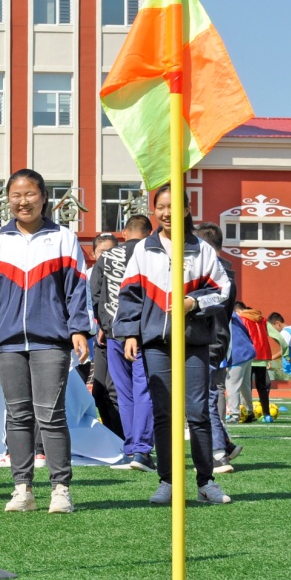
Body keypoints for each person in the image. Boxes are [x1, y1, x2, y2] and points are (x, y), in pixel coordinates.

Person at [0, 169, 89, 513]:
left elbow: (76, 289)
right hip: (6, 341)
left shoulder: (64, 238)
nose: (23, 201)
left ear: (43, 197)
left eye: (30, 194)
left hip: (51, 341)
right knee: (17, 415)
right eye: (16, 195)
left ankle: (60, 489)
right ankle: (22, 488)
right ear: (8, 200)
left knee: (51, 415)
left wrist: (78, 328)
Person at [114, 184, 232, 506]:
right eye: (161, 207)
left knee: (197, 414)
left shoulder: (202, 249)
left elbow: (223, 289)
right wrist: (130, 334)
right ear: (155, 211)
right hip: (155, 344)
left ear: (186, 209)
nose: (167, 213)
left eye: (173, 206)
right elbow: (129, 294)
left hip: (193, 343)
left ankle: (206, 482)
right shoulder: (144, 249)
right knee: (164, 415)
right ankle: (167, 481)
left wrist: (193, 303)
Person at [91, 213, 155, 472]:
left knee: (124, 393)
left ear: (124, 233)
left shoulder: (107, 257)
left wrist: (103, 325)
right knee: (144, 390)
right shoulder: (153, 255)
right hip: (145, 333)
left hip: (114, 332)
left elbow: (96, 293)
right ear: (149, 233)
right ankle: (142, 450)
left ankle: (130, 448)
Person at [195, 222, 244, 474]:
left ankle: (218, 454)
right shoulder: (227, 272)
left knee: (207, 399)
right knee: (206, 397)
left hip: (208, 341)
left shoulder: (214, 273)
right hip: (218, 340)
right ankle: (225, 444)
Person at [86, 233, 122, 439]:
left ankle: (122, 438)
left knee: (113, 390)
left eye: (112, 252)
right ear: (93, 253)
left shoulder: (123, 275)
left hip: (114, 337)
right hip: (89, 339)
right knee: (98, 392)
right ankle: (111, 436)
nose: (107, 256)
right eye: (102, 252)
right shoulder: (87, 274)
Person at [235, 304, 276, 422]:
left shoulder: (241, 319)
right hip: (262, 357)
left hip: (247, 356)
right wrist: (286, 353)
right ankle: (267, 415)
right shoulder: (262, 319)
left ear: (238, 310)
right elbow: (278, 337)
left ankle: (247, 412)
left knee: (245, 386)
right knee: (262, 387)